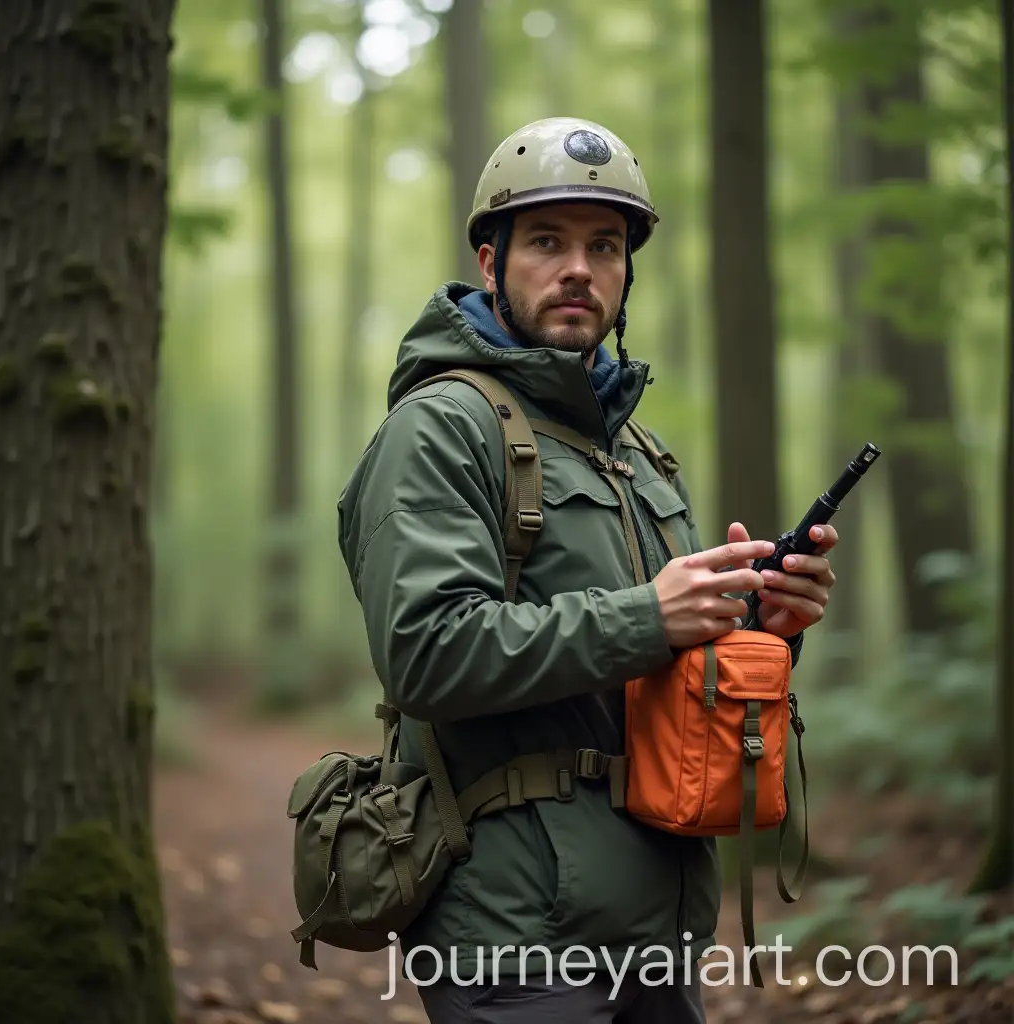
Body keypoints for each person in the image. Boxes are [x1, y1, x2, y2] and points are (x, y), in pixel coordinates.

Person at [336, 117, 837, 1023]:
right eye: (547, 242)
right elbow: (426, 653)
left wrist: (764, 627)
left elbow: (664, 672)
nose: (579, 268)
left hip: (658, 922)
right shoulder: (441, 427)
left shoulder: (635, 449)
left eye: (604, 246)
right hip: (513, 926)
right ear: (490, 261)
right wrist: (653, 615)